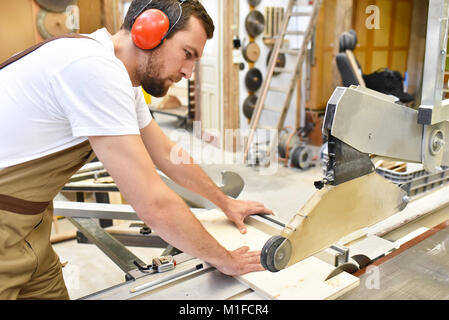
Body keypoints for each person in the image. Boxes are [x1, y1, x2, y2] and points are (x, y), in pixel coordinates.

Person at [0, 0, 273, 300]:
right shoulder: (93, 67)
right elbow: (152, 204)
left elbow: (167, 153)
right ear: (148, 31)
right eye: (187, 54)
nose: (188, 73)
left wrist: (224, 202)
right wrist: (226, 259)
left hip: (31, 227)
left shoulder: (117, 75)